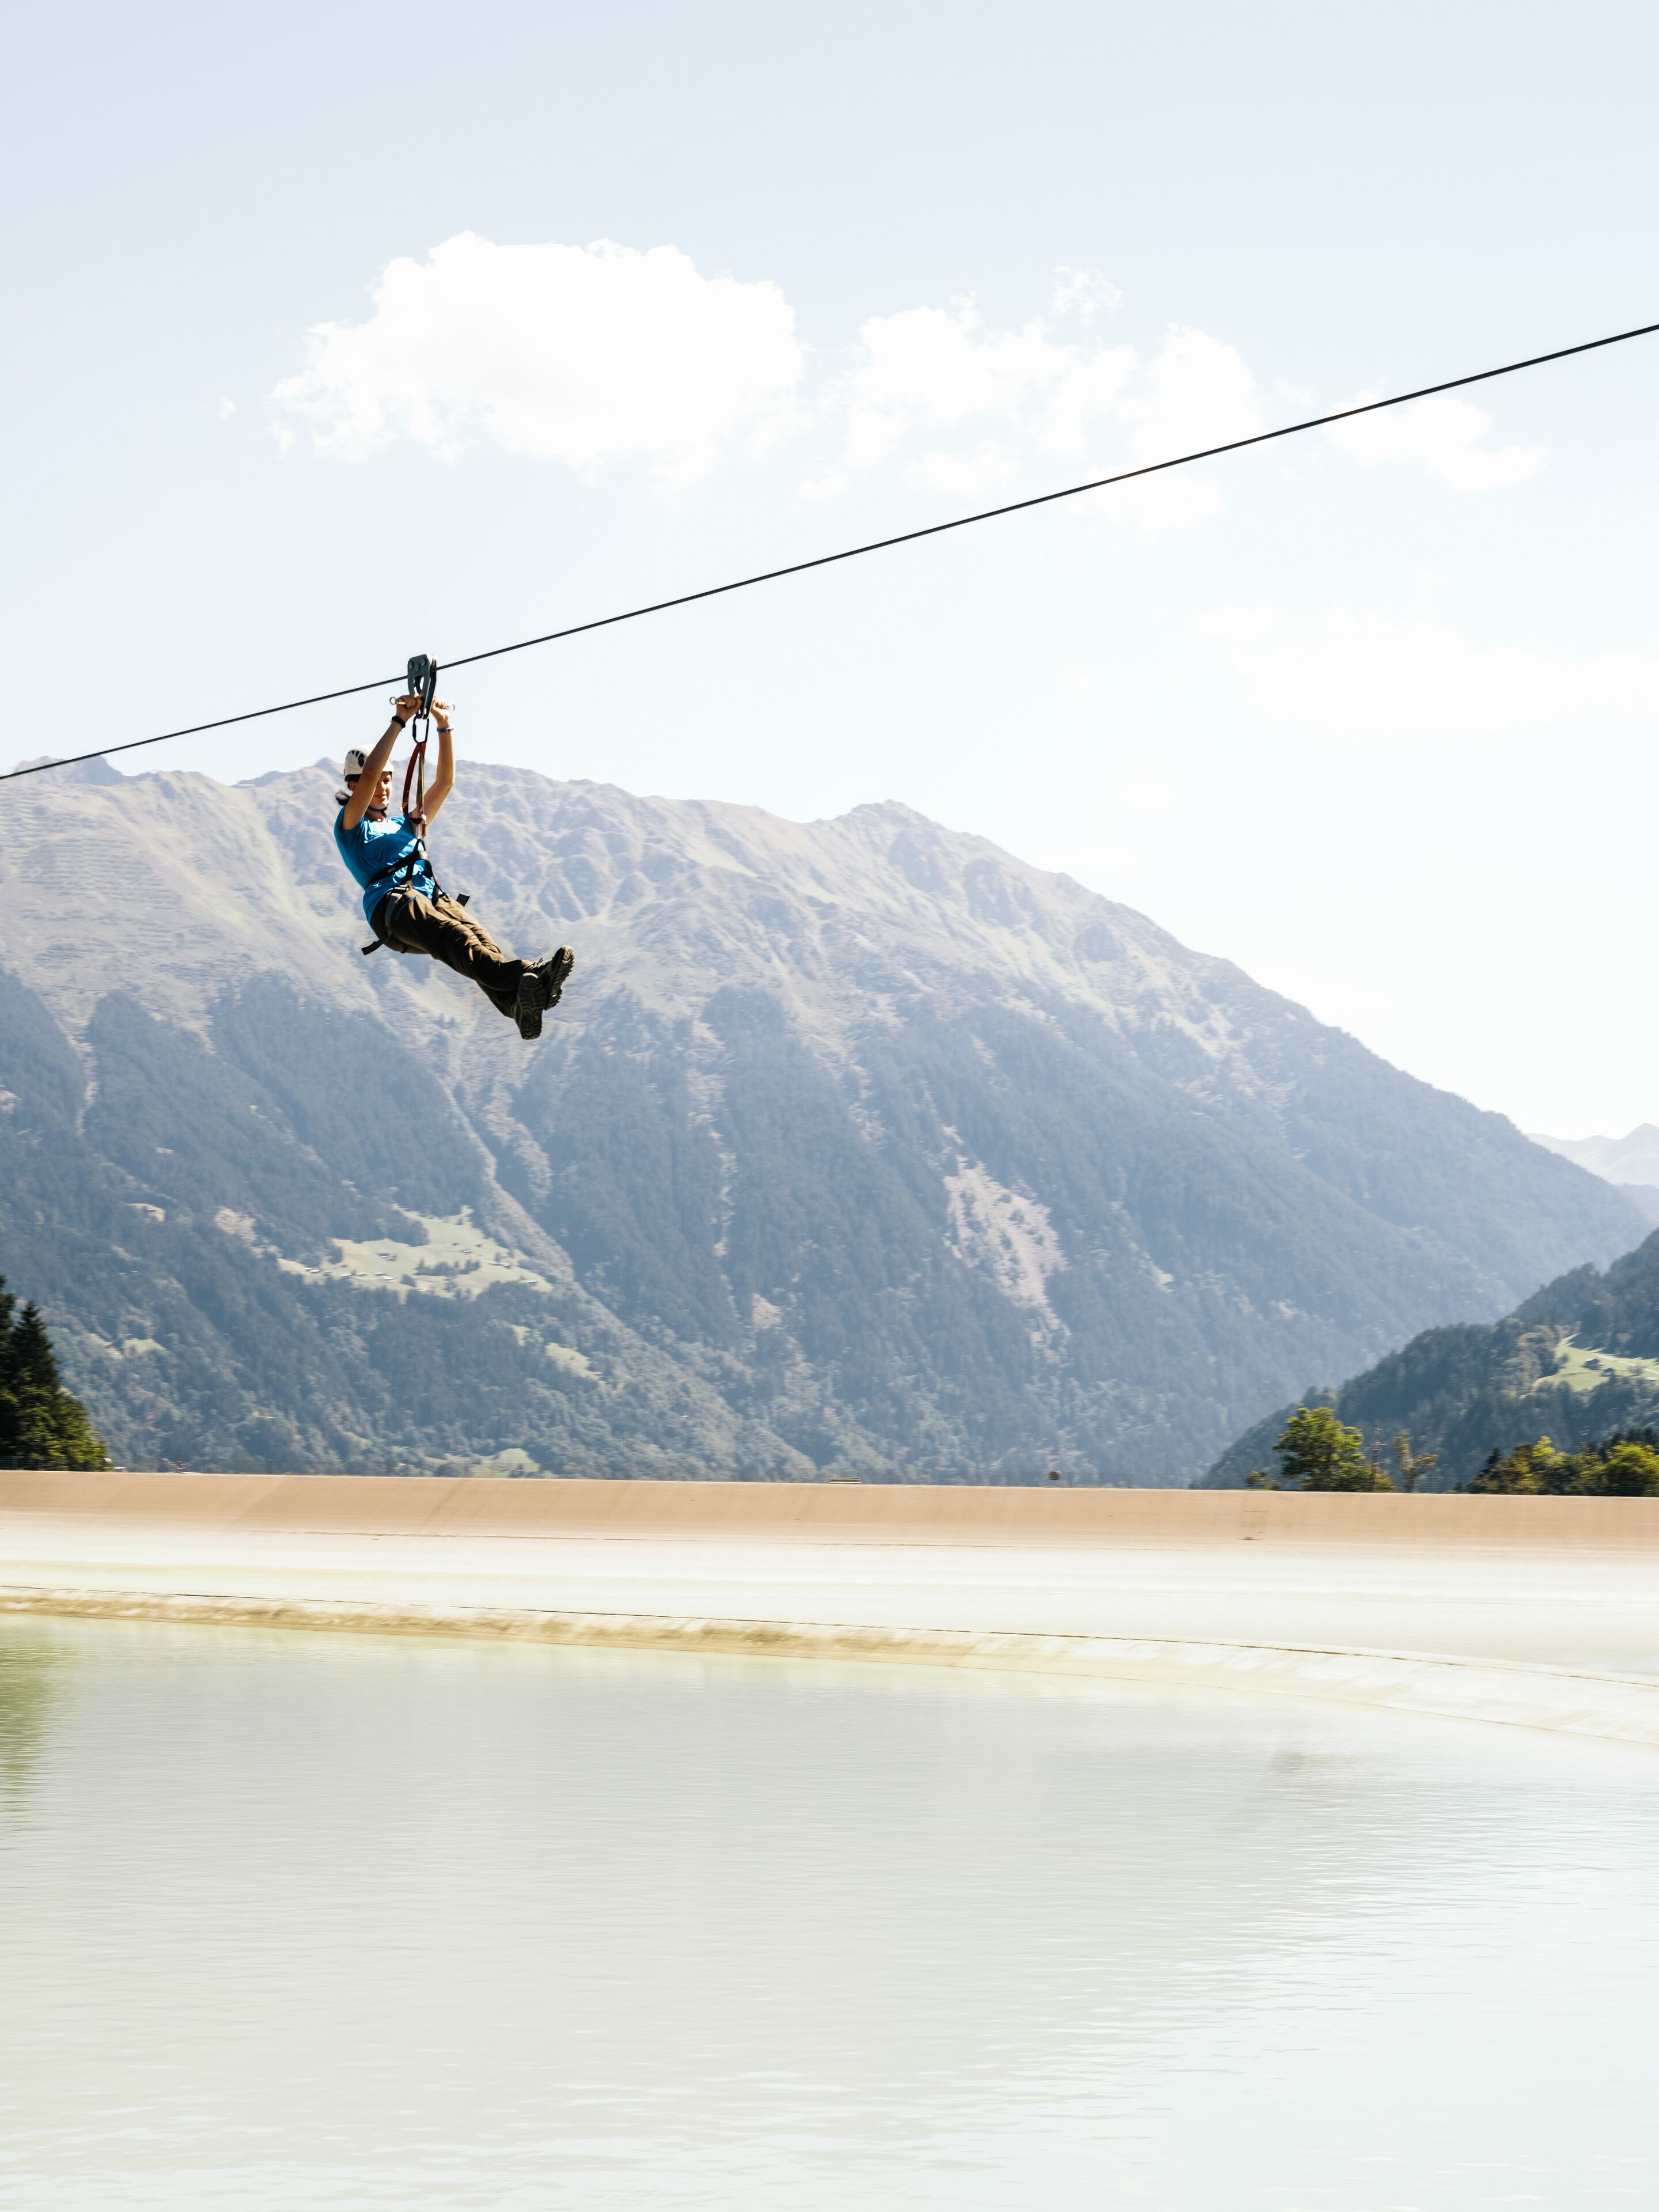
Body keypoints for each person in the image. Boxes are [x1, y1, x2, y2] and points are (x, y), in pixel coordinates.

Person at [334, 692, 574, 1040]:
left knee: (481, 941)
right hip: (393, 905)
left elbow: (445, 783)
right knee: (456, 938)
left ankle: (516, 1007)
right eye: (376, 782)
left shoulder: (406, 824)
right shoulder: (351, 827)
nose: (383, 786)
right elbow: (370, 771)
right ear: (354, 786)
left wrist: (444, 726)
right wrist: (399, 721)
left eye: (388, 780)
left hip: (431, 897)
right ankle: (533, 974)